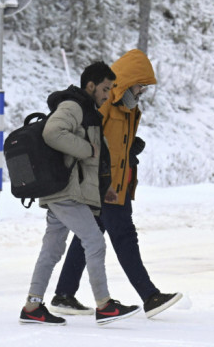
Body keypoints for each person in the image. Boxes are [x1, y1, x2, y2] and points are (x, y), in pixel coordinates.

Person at [49, 49, 183, 319]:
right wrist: (104, 176)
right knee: (124, 236)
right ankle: (150, 295)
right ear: (128, 81)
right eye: (140, 85)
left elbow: (113, 143)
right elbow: (95, 140)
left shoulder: (128, 108)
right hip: (106, 185)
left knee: (88, 236)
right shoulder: (107, 104)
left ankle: (64, 295)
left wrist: (130, 147)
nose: (143, 90)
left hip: (116, 182)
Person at [19, 61, 141, 326]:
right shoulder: (73, 106)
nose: (108, 95)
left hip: (66, 191)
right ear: (91, 85)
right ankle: (105, 305)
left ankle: (32, 307)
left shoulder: (88, 111)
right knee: (94, 241)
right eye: (105, 89)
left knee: (51, 251)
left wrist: (105, 186)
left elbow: (99, 156)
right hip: (65, 191)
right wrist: (87, 149)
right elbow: (53, 132)